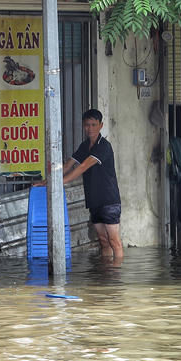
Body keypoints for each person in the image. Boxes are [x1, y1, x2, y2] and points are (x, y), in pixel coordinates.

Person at [60, 108, 123, 261]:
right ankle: (106, 274)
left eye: (94, 125)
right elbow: (69, 165)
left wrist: (60, 183)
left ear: (101, 125)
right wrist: (48, 181)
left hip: (109, 201)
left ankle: (116, 277)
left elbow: (82, 167)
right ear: (83, 125)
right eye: (87, 125)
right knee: (103, 241)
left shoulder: (104, 146)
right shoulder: (84, 146)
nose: (90, 128)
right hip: (94, 200)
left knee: (114, 242)